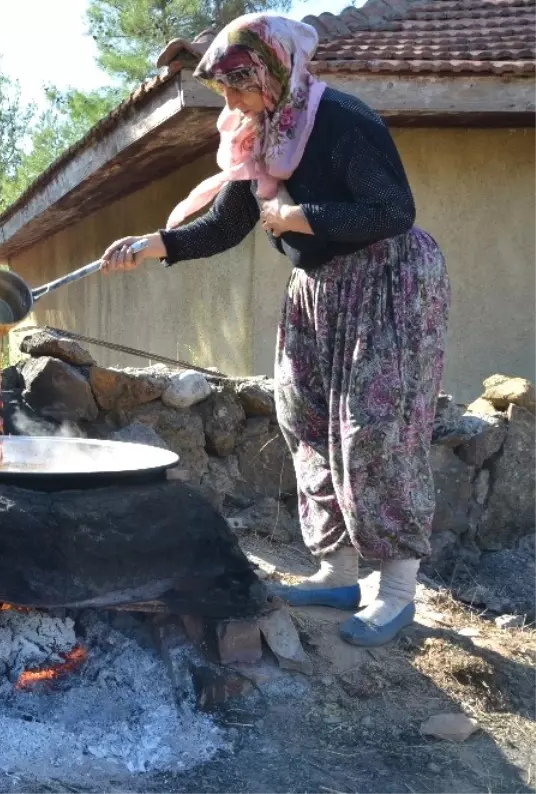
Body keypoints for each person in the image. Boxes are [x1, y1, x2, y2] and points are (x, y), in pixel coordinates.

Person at [101, 13, 450, 647]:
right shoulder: (256, 132)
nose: (229, 104)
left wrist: (298, 216)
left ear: (274, 72)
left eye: (238, 88)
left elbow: (392, 211)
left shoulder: (342, 121)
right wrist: (151, 245)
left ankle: (397, 592)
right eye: (225, 91)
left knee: (376, 429)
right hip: (317, 288)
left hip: (386, 281)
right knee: (302, 416)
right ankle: (337, 572)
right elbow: (229, 224)